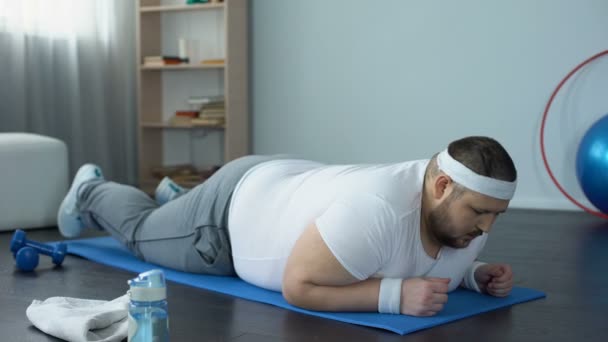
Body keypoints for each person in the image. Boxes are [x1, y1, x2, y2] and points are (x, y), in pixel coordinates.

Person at [57, 136, 516, 317]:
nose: (487, 226)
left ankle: (176, 199)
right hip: (222, 225)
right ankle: (91, 190)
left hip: (286, 183)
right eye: (480, 212)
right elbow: (297, 285)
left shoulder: (459, 212)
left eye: (496, 214)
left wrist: (474, 276)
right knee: (140, 233)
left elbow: (437, 255)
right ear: (440, 186)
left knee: (162, 222)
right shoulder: (377, 210)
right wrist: (394, 296)